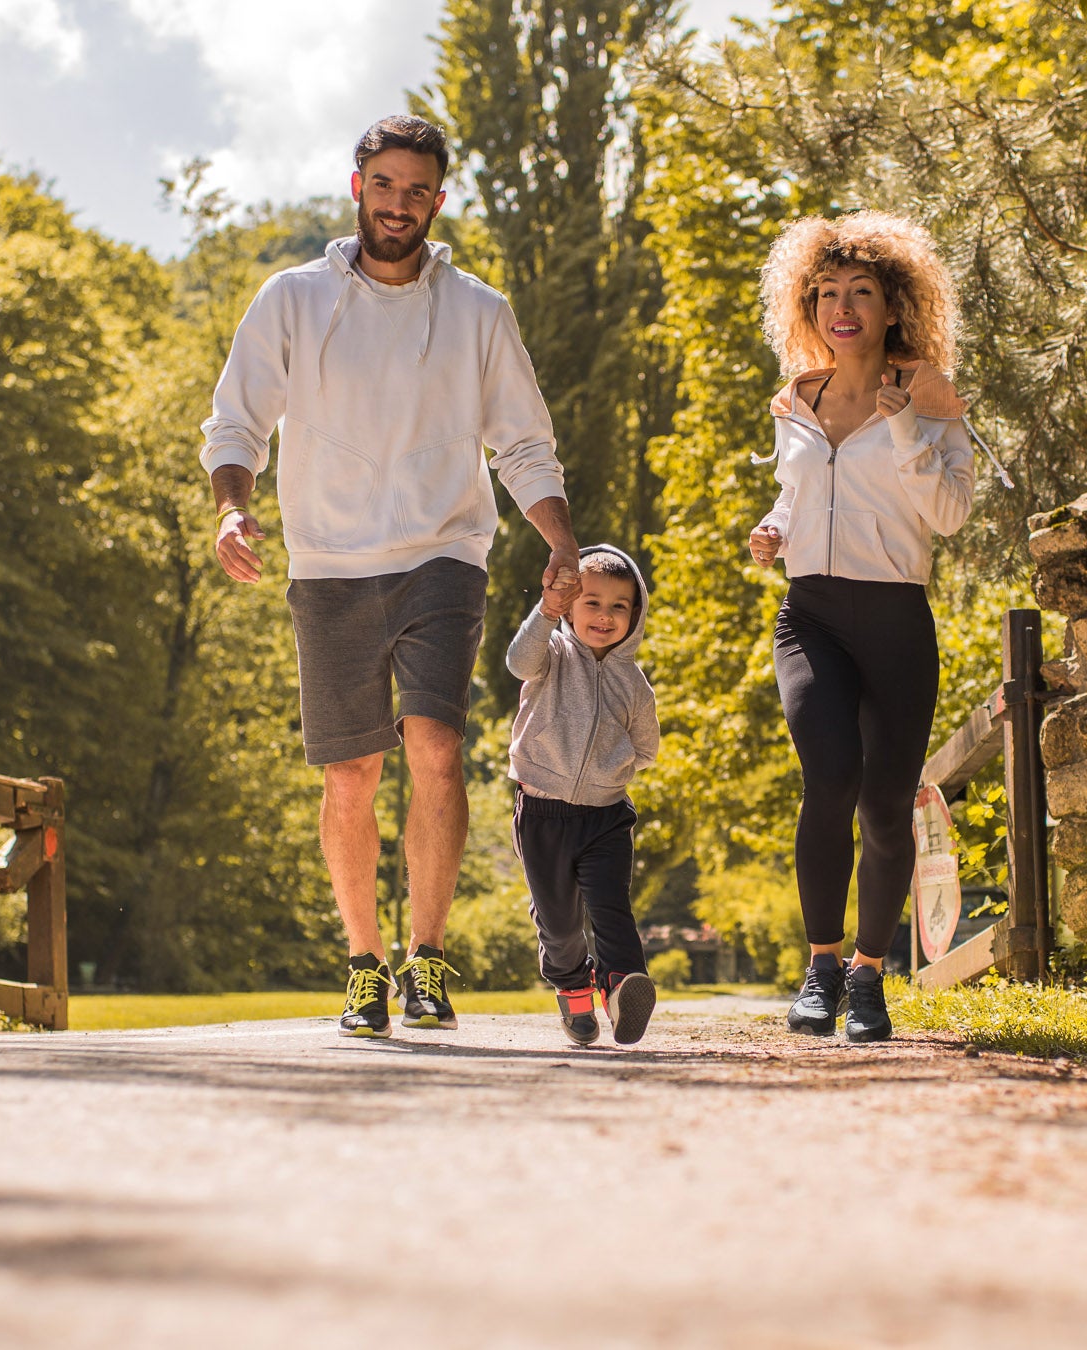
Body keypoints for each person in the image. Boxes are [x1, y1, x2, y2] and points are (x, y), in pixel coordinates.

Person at [200, 114, 582, 1038]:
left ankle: (428, 960)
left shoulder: (479, 312)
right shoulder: (292, 300)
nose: (400, 205)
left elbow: (524, 444)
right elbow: (236, 423)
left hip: (444, 552)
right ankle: (365, 965)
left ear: (438, 201)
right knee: (350, 775)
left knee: (436, 745)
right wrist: (231, 506)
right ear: (358, 186)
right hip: (329, 563)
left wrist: (561, 544)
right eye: (386, 186)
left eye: (419, 191)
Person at [747, 212, 977, 1043]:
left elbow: (949, 514)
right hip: (809, 615)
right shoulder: (794, 400)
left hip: (894, 621)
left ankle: (869, 978)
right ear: (808, 307)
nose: (842, 309)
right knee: (830, 777)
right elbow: (797, 494)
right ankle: (820, 967)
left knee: (885, 808)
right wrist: (774, 528)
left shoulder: (932, 396)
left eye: (862, 294)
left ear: (892, 308)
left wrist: (908, 422)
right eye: (827, 294)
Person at [506, 545, 660, 1046]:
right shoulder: (551, 656)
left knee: (611, 906)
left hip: (605, 816)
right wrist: (546, 611)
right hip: (543, 812)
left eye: (619, 606)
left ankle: (623, 984)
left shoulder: (633, 682)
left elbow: (646, 747)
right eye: (591, 602)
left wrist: (607, 774)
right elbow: (516, 661)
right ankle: (574, 989)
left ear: (634, 616)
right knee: (560, 922)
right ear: (571, 605)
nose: (605, 616)